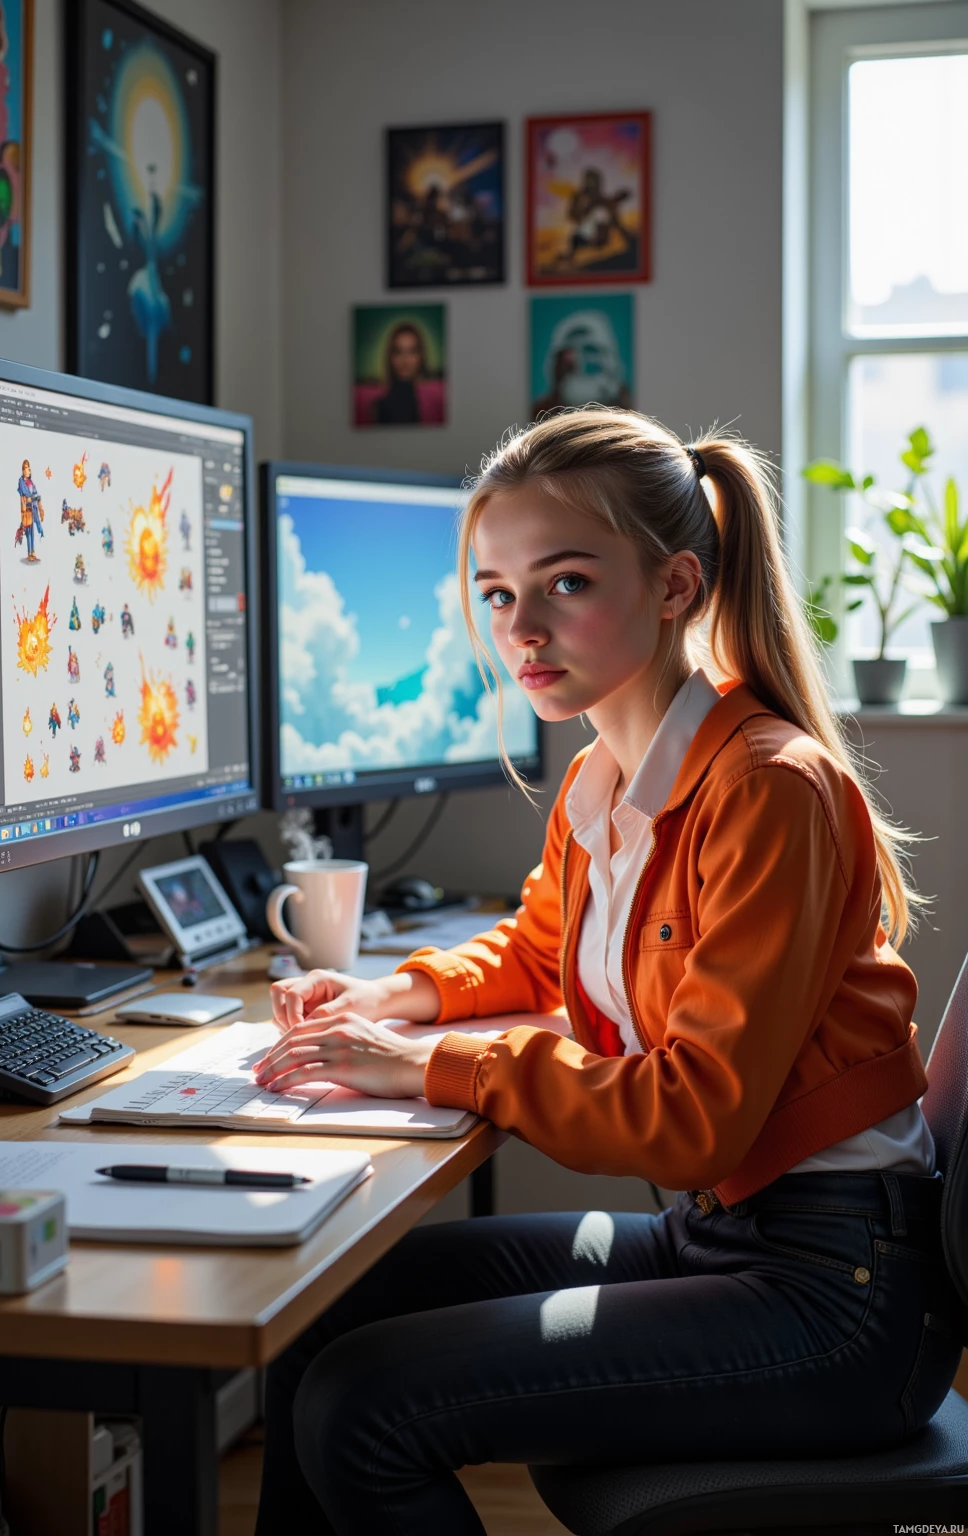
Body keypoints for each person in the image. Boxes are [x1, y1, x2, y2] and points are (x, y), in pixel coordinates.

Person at [251, 409, 962, 1536]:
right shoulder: (602, 778)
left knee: (363, 1407)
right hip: (721, 1239)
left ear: (675, 585)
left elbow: (693, 1119)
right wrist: (398, 997)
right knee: (327, 1315)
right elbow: (542, 947)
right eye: (495, 594)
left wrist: (437, 1068)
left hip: (835, 1293)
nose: (521, 629)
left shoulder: (766, 788)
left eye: (564, 584)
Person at [368, 322, 442, 426]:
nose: (405, 360)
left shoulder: (434, 403)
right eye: (398, 351)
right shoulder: (378, 406)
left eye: (412, 351)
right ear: (390, 357)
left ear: (421, 356)